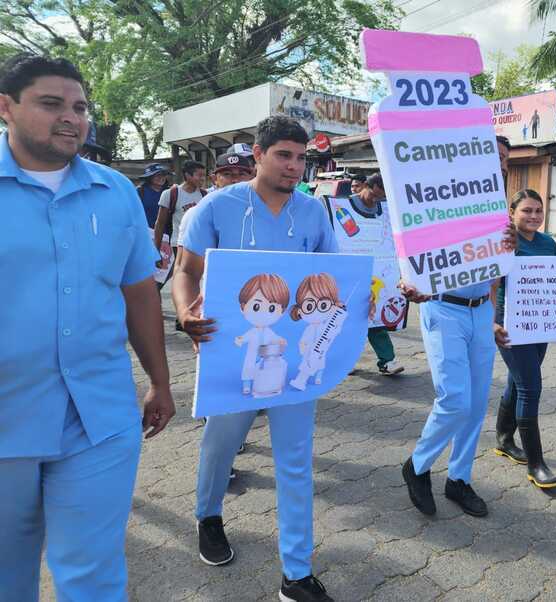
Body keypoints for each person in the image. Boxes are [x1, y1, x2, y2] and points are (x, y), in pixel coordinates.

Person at [0, 53, 175, 601]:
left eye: (79, 107)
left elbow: (138, 292)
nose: (70, 118)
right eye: (51, 104)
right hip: (7, 417)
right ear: (6, 107)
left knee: (93, 575)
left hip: (99, 416)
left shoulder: (116, 191)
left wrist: (160, 380)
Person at [173, 115, 335, 602]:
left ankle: (296, 574)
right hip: (231, 351)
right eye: (284, 155)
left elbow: (332, 276)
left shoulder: (313, 213)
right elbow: (185, 270)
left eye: (301, 158)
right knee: (221, 444)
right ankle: (208, 516)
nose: (294, 166)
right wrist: (185, 312)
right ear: (259, 155)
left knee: (295, 460)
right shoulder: (217, 207)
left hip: (292, 359)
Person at [400, 228, 516, 518]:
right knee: (455, 400)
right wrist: (408, 281)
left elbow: (495, 277)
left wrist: (508, 246)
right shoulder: (430, 212)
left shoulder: (489, 217)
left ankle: (459, 479)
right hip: (443, 307)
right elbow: (409, 256)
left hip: (481, 312)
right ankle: (417, 466)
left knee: (475, 405)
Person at [491, 189, 556, 489]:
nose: (534, 216)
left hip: (540, 322)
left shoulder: (548, 243)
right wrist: (492, 321)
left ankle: (504, 439)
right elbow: (492, 284)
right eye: (526, 210)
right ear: (512, 213)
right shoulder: (504, 242)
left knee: (517, 382)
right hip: (510, 324)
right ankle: (536, 465)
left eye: (538, 210)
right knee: (530, 388)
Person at [351, 173, 404, 375]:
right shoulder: (344, 208)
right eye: (374, 195)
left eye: (380, 198)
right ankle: (345, 361)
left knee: (376, 319)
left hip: (378, 276)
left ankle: (387, 360)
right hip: (352, 274)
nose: (376, 201)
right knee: (348, 323)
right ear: (365, 186)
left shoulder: (386, 211)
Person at [152, 159, 207, 289]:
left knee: (196, 278)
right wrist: (156, 249)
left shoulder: (204, 195)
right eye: (199, 175)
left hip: (200, 244)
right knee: (183, 277)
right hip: (179, 244)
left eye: (204, 175)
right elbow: (160, 223)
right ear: (187, 175)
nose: (202, 179)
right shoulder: (171, 194)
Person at [137, 162, 171, 228]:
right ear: (149, 177)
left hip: (166, 232)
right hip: (145, 230)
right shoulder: (140, 191)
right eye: (158, 175)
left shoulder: (170, 192)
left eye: (163, 175)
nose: (161, 178)